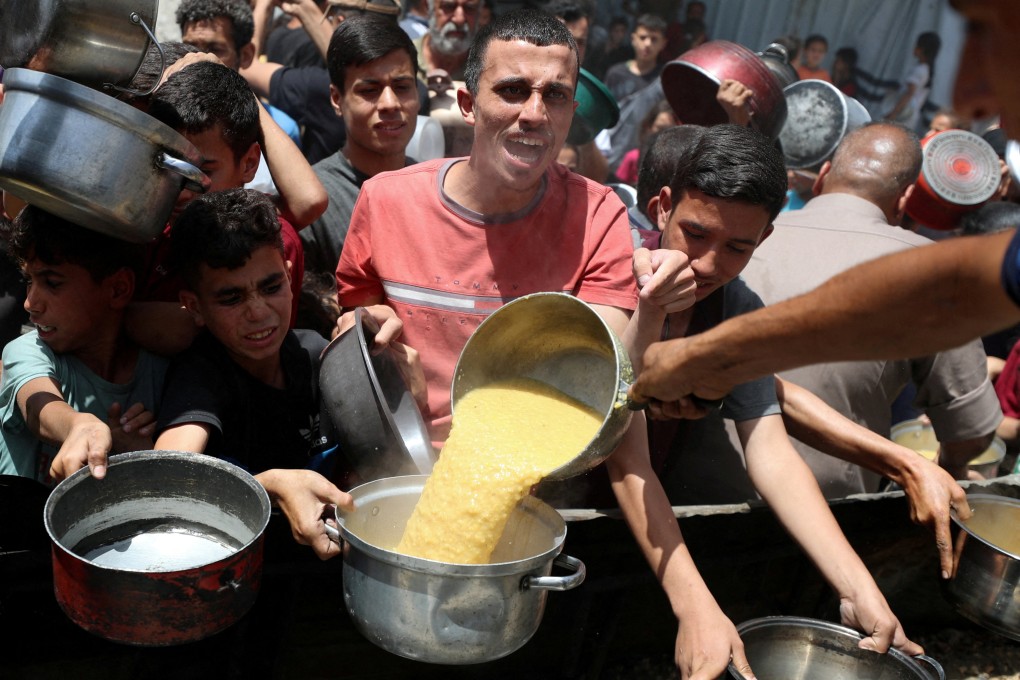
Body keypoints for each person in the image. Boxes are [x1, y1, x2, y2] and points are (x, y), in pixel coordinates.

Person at [627, 1, 1020, 463]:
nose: (963, 90)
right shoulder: (630, 261)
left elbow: (938, 293)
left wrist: (711, 355)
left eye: (989, 33)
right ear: (661, 208)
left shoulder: (741, 299)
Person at [612, 123, 921, 679]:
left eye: (737, 247)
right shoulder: (608, 270)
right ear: (661, 208)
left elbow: (771, 449)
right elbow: (621, 453)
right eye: (695, 234)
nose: (708, 264)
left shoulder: (736, 305)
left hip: (651, 528)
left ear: (765, 239)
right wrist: (694, 603)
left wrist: (858, 588)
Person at [741, 122, 1000, 487]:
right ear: (905, 201)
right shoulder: (929, 267)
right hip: (829, 509)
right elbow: (972, 432)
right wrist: (948, 469)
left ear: (823, 176)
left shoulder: (745, 233)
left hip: (687, 492)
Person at [153, 188, 353, 560]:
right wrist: (271, 484)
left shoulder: (318, 355)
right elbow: (168, 479)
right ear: (193, 306)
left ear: (290, 277)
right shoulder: (202, 376)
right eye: (231, 298)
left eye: (271, 286)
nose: (258, 312)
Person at [144, 60, 319, 325]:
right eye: (170, 166)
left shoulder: (271, 240)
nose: (180, 193)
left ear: (249, 164)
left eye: (203, 173)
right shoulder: (149, 233)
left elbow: (309, 200)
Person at [0, 208, 167, 483]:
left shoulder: (161, 371)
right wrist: (80, 426)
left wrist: (138, 459)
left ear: (118, 289)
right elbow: (40, 406)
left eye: (52, 283)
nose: (30, 303)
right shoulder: (28, 351)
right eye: (29, 281)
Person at [301, 15, 421, 275]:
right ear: (336, 99)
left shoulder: (435, 190)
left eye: (402, 87)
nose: (390, 103)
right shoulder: (314, 204)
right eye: (369, 90)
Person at [176, 0, 303, 149]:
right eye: (189, 47)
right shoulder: (168, 116)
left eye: (215, 49)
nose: (198, 58)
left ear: (245, 55)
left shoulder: (281, 132)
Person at [603, 14, 667, 104]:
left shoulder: (664, 79)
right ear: (633, 39)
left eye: (654, 39)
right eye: (642, 38)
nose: (647, 44)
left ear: (663, 43)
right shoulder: (615, 74)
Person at [884, 31, 940, 132]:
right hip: (911, 115)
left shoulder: (919, 70)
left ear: (922, 49)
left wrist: (894, 113)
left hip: (904, 113)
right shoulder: (926, 70)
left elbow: (909, 93)